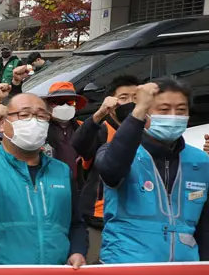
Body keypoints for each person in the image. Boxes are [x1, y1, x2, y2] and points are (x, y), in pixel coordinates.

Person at [0, 93, 87, 271]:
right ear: (4, 120)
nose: (34, 121)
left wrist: (77, 250)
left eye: (41, 116)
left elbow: (75, 223)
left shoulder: (61, 171)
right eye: (24, 115)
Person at [95, 78, 209, 263]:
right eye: (163, 110)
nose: (173, 116)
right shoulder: (115, 151)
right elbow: (111, 171)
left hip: (184, 269)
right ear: (145, 114)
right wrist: (138, 109)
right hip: (128, 267)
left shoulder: (201, 161)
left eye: (181, 110)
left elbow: (204, 226)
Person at [72, 75, 139, 264]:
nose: (130, 103)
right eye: (124, 98)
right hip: (98, 218)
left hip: (133, 217)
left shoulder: (147, 131)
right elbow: (79, 143)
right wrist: (100, 113)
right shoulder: (102, 130)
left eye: (135, 98)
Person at [40, 81, 87, 172]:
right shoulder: (41, 129)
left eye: (70, 102)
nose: (65, 106)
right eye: (59, 102)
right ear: (48, 105)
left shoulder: (82, 127)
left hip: (79, 182)